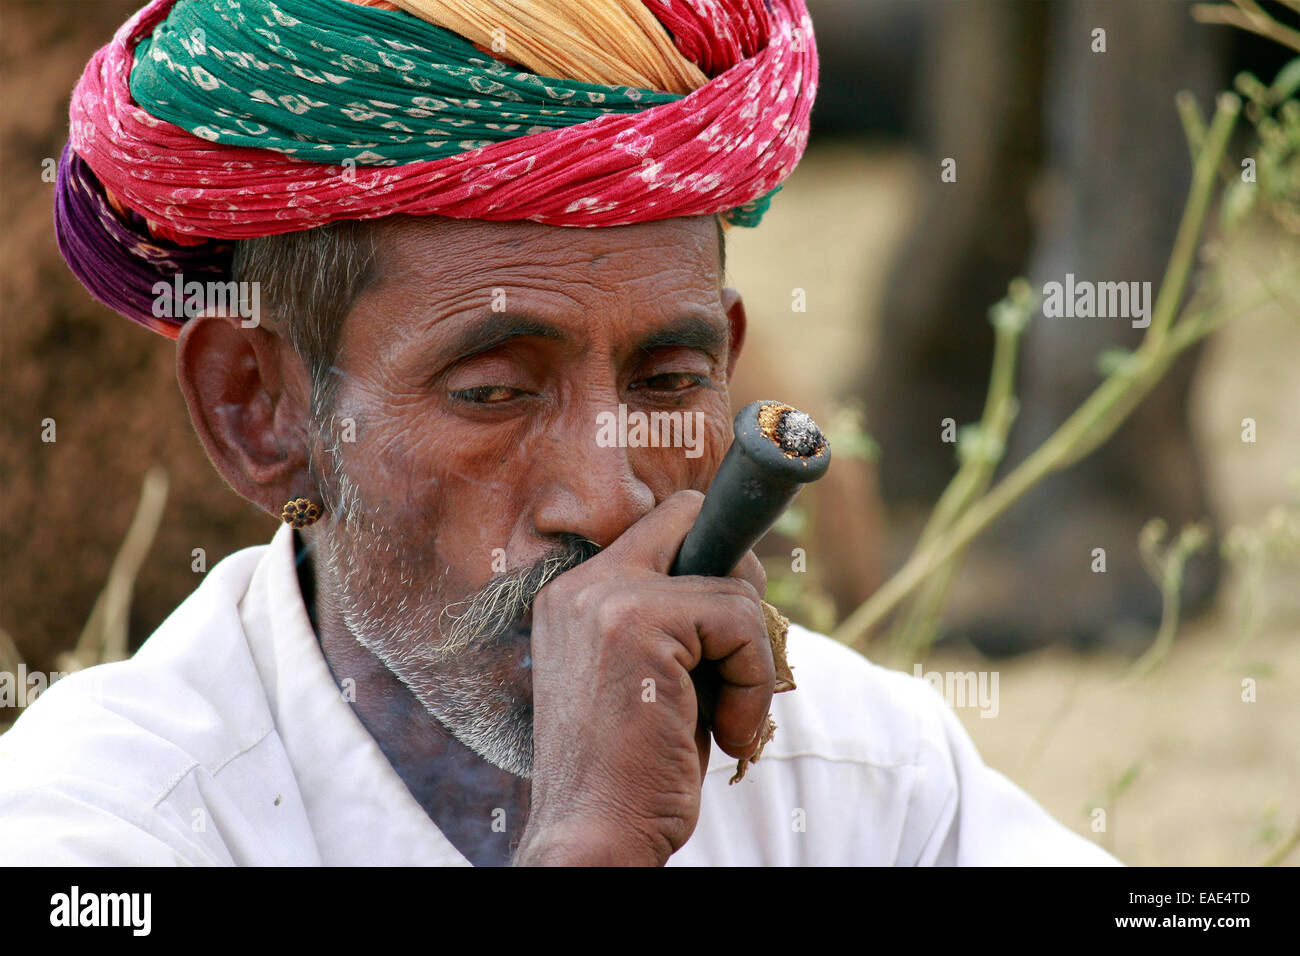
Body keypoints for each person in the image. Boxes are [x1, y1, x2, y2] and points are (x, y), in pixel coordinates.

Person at [0, 0, 1116, 866]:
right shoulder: (106, 824)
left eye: (670, 378)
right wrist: (589, 840)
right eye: (493, 390)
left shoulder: (860, 764)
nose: (606, 497)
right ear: (260, 411)